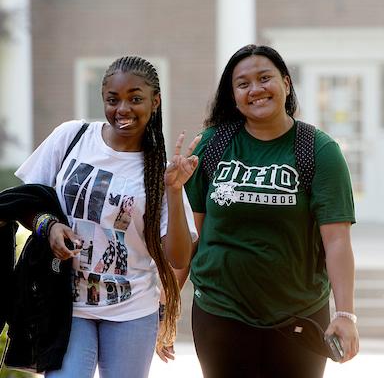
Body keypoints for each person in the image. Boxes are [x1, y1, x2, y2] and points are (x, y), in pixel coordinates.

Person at [14, 55, 199, 378]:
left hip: (132, 308)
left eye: (135, 99)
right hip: (66, 303)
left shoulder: (159, 171)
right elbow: (28, 202)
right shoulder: (72, 137)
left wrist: (173, 189)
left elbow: (179, 256)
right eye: (113, 100)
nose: (123, 109)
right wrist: (50, 226)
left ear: (155, 102)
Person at [184, 45, 359, 378]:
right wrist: (169, 299)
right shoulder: (211, 145)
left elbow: (337, 240)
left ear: (286, 84)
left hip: (299, 314)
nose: (256, 89)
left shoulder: (319, 150)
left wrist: (346, 314)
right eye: (243, 83)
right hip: (219, 312)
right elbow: (193, 234)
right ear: (233, 95)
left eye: (265, 78)